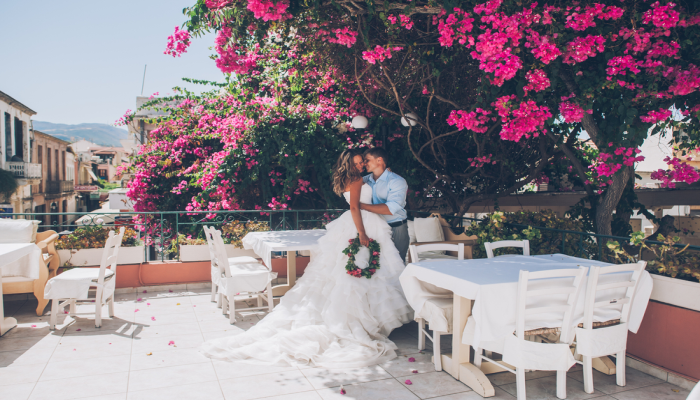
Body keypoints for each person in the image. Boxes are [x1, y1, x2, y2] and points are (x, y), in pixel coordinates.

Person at [200, 149, 413, 368]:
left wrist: (358, 207)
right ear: (350, 165)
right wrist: (361, 232)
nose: (362, 165)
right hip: (362, 223)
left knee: (361, 271)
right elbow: (354, 206)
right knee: (362, 271)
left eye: (363, 162)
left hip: (372, 221)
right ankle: (367, 320)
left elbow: (365, 205)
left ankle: (372, 318)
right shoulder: (358, 179)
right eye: (359, 162)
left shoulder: (360, 178)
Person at [360, 147, 410, 262]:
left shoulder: (397, 181)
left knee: (397, 264)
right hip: (374, 228)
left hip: (396, 228)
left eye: (367, 160)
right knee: (377, 266)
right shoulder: (364, 180)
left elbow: (390, 208)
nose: (364, 163)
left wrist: (360, 206)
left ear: (379, 160)